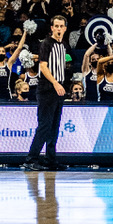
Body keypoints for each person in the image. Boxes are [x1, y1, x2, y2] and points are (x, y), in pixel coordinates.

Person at [22, 15, 70, 172]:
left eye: (60, 26)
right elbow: (43, 66)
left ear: (65, 28)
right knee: (44, 126)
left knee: (54, 127)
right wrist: (55, 83)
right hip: (47, 89)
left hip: (59, 89)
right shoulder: (46, 44)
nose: (58, 28)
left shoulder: (63, 44)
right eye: (55, 26)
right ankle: (31, 159)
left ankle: (50, 159)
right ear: (52, 28)